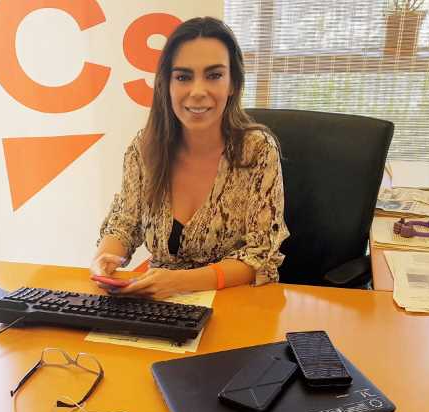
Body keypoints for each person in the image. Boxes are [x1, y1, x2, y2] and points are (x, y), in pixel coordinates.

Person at [90, 16, 289, 299]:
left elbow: (261, 255)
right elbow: (124, 223)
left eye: (214, 75)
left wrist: (180, 282)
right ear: (167, 84)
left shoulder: (257, 150)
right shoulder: (144, 148)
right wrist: (104, 260)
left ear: (233, 83)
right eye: (183, 77)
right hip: (160, 302)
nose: (197, 92)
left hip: (235, 303)